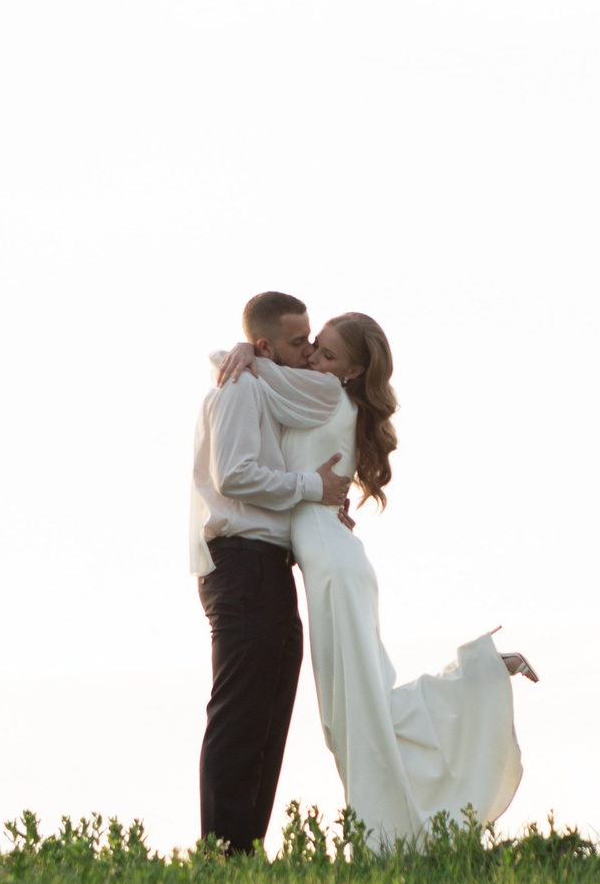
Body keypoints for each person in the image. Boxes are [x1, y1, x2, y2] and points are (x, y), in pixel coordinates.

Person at [215, 312, 536, 849]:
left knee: (358, 719)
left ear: (351, 371)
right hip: (335, 563)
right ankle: (478, 678)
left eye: (329, 356)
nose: (315, 359)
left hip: (334, 570)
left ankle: (393, 835)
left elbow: (246, 375)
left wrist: (242, 351)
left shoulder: (318, 392)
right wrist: (251, 351)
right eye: (315, 347)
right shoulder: (326, 392)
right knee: (361, 714)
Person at [187, 291, 352, 853]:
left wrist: (326, 504)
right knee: (239, 717)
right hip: (241, 566)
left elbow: (280, 471)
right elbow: (235, 476)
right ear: (264, 344)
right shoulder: (238, 387)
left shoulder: (267, 389)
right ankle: (221, 855)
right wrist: (313, 487)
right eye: (298, 342)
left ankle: (244, 852)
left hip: (269, 567)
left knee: (268, 717)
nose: (308, 352)